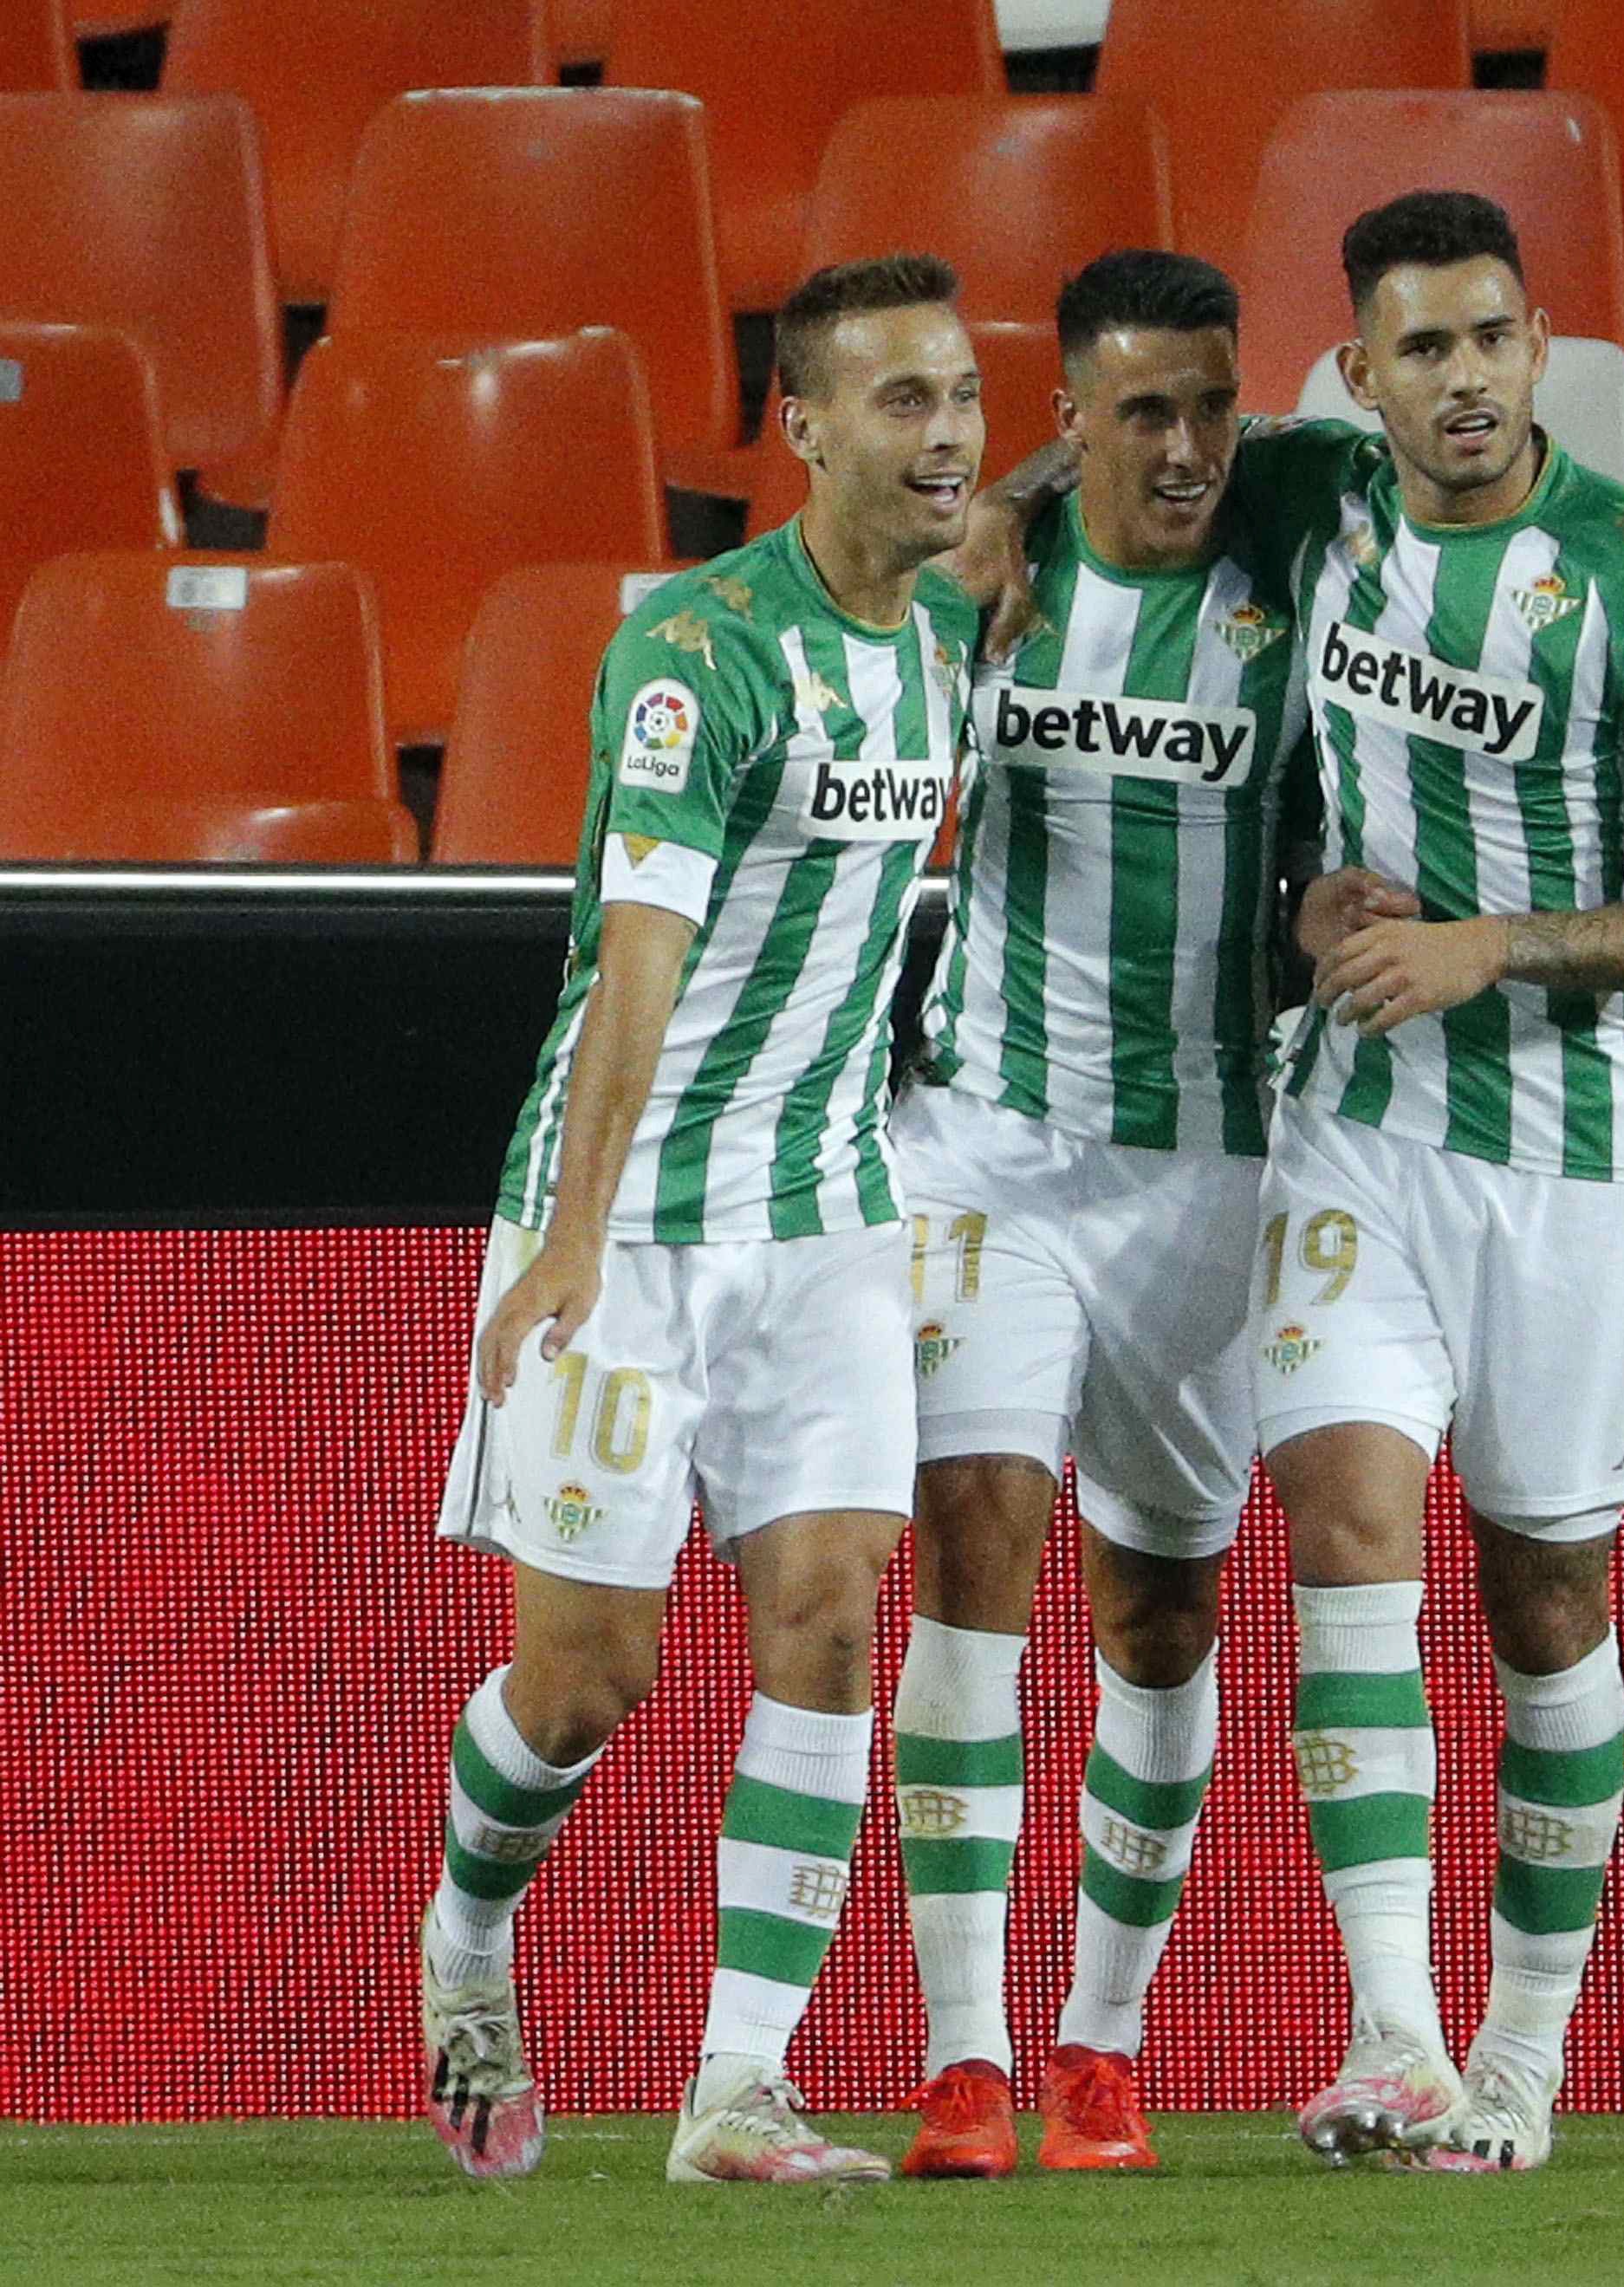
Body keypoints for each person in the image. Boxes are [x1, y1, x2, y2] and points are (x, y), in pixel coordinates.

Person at [959, 189, 1624, 2173]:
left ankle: (1524, 2050)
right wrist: (999, 505)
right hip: (1356, 1121)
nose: (1467, 380)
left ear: (1534, 348)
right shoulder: (1311, 496)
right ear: (1359, 378)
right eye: (1422, 349)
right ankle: (1394, 2038)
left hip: (1573, 1163)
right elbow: (1118, 426)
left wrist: (1486, 946)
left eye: (1493, 337)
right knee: (1343, 1529)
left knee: (1548, 1592)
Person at [417, 254, 983, 2187]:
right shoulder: (699, 657)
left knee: (828, 1633)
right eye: (900, 400)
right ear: (804, 426)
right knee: (588, 1686)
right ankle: (471, 1936)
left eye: (961, 398)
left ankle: (738, 2088)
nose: (946, 435)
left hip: (827, 1212)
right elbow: (640, 957)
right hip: (633, 1222)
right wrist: (573, 1236)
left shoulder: (934, 650)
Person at [885, 250, 1309, 2181]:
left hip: (1214, 1165)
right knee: (976, 1560)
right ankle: (965, 2061)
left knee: (1157, 1614)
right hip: (983, 1145)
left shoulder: (1294, 595)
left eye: (1211, 404)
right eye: (1141, 409)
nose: (1187, 444)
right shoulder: (980, 589)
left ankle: (1100, 2045)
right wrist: (1000, 523)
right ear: (1066, 419)